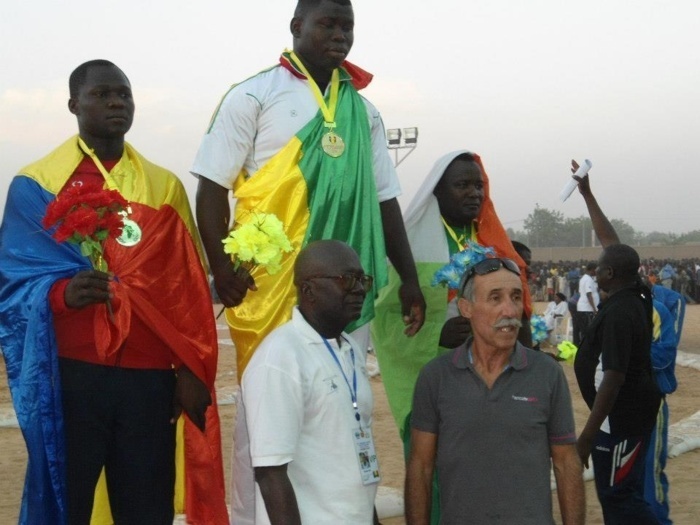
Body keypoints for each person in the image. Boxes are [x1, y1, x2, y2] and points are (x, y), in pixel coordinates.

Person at [191, 1, 425, 521]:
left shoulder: (365, 111)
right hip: (271, 285)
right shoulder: (253, 95)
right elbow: (211, 184)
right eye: (328, 23)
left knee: (342, 408)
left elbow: (385, 198)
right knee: (264, 423)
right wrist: (220, 269)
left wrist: (408, 278)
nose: (339, 34)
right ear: (296, 28)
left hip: (344, 289)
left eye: (348, 26)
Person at [0, 60, 227, 524]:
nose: (116, 102)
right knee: (68, 505)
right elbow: (12, 283)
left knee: (146, 508)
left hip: (148, 382)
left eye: (124, 94)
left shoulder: (164, 187)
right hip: (71, 376)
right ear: (73, 104)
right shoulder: (36, 184)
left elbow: (184, 290)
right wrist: (62, 293)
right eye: (101, 94)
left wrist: (188, 370)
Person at [370, 151, 532, 523]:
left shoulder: (488, 241)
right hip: (436, 389)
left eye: (479, 185)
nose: (474, 192)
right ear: (437, 192)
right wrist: (435, 335)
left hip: (490, 388)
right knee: (442, 485)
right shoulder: (410, 245)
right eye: (462, 185)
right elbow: (384, 318)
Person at [405, 257, 585, 525]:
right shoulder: (435, 377)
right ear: (466, 308)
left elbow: (566, 463)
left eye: (515, 297)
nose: (510, 311)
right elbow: (420, 468)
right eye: (495, 298)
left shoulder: (547, 374)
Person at [242, 240, 379, 523]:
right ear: (308, 290)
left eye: (362, 279)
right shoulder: (280, 358)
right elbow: (270, 473)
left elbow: (357, 451)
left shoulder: (350, 348)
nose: (359, 289)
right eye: (346, 279)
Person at [572, 163, 661, 524]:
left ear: (609, 274)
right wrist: (587, 194)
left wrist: (587, 437)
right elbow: (612, 242)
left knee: (620, 499)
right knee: (617, 496)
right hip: (621, 419)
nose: (595, 270)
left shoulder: (621, 312)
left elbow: (613, 378)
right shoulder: (632, 288)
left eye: (599, 266)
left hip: (620, 421)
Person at [645, 284, 685, 524]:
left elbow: (663, 358)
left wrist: (631, 349)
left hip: (651, 400)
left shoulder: (659, 309)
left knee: (650, 472)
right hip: (620, 407)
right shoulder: (608, 311)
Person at [574, 261, 599, 347]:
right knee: (587, 331)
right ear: (592, 269)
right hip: (587, 309)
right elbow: (589, 294)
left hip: (584, 308)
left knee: (585, 330)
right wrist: (594, 309)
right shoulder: (588, 279)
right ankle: (586, 347)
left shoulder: (585, 278)